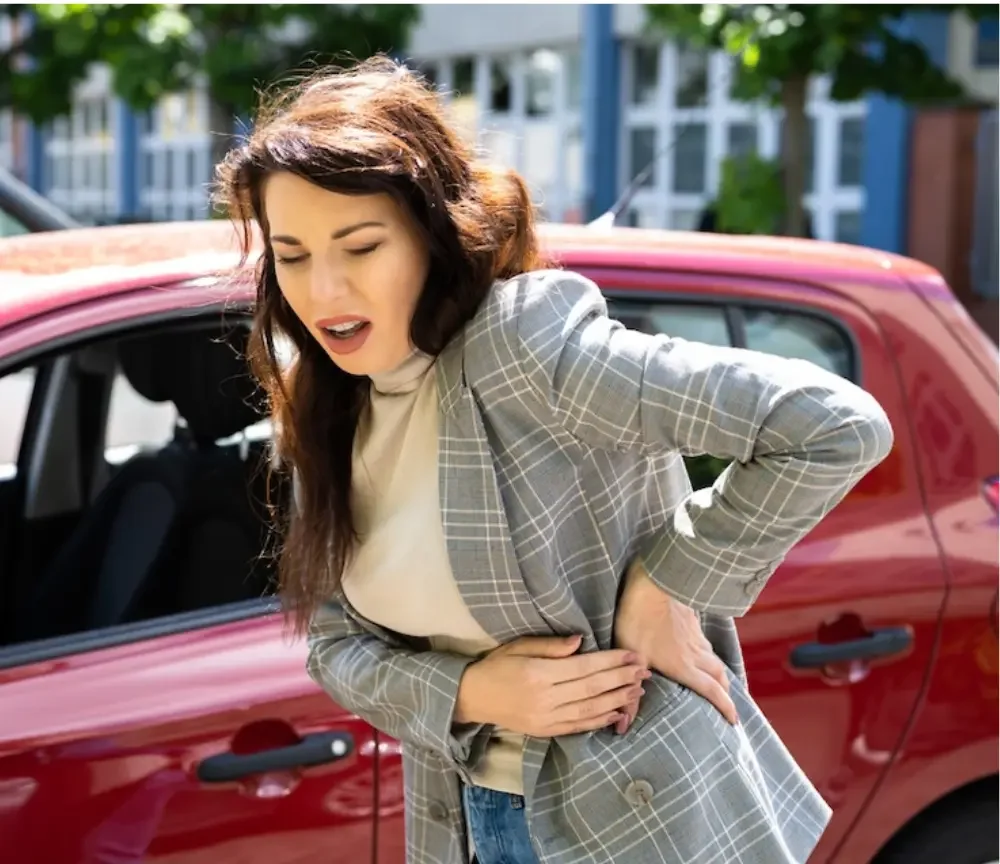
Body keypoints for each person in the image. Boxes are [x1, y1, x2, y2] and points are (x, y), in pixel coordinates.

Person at [213, 56, 894, 864]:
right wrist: (470, 691)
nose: (324, 290)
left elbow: (832, 426)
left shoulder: (522, 350)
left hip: (636, 824)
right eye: (291, 256)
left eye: (360, 246)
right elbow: (336, 646)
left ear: (433, 236)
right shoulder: (322, 399)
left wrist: (667, 582)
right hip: (469, 820)